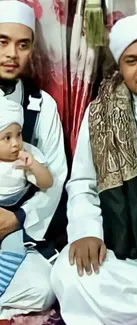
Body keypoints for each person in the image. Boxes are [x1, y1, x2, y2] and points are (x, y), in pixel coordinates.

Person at [52, 12, 137, 325]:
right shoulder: (100, 113)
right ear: (120, 66)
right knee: (69, 273)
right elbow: (83, 182)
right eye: (132, 61)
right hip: (131, 251)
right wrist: (85, 232)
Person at [0, 0, 67, 320]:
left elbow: (56, 175)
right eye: (2, 42)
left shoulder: (42, 106)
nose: (12, 53)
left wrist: (19, 218)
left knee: (43, 289)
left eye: (22, 44)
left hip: (17, 227)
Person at [0, 93, 53, 297]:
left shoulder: (25, 157)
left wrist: (34, 166)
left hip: (14, 215)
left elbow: (47, 184)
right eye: (7, 138)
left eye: (19, 134)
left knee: (14, 249)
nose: (16, 143)